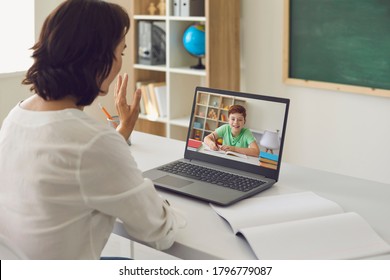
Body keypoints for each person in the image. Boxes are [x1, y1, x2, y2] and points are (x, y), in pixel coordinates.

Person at [0, 0, 184, 260]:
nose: (121, 62)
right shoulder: (92, 142)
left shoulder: (16, 116)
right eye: (121, 52)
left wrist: (118, 137)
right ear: (98, 58)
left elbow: (68, 161)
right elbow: (159, 232)